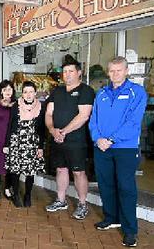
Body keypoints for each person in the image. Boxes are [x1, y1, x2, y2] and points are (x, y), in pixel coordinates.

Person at [89, 56, 146, 247]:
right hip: (102, 147)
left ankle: (130, 230)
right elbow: (93, 120)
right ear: (108, 72)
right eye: (112, 70)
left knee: (126, 188)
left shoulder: (136, 92)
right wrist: (98, 139)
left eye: (119, 70)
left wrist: (111, 139)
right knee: (105, 184)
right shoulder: (102, 93)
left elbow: (133, 122)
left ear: (126, 71)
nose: (115, 74)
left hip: (125, 148)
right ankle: (111, 218)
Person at [45, 56, 95, 220]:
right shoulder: (57, 91)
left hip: (76, 141)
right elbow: (48, 113)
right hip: (57, 139)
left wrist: (63, 132)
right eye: (64, 71)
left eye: (70, 71)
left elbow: (83, 116)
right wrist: (52, 130)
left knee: (79, 172)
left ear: (79, 73)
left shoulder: (86, 91)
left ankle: (82, 204)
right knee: (60, 169)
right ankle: (61, 200)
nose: (67, 74)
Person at [4, 81, 46, 208]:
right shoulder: (16, 106)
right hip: (16, 141)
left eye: (31, 92)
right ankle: (16, 194)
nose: (28, 94)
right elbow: (10, 125)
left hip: (32, 142)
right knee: (15, 170)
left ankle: (27, 195)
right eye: (25, 92)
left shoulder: (40, 107)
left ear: (35, 93)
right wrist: (7, 145)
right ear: (22, 93)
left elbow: (42, 129)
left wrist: (40, 147)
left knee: (30, 172)